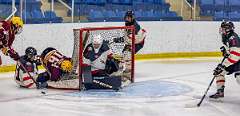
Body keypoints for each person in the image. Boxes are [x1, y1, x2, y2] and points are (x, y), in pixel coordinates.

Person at [210, 21, 240, 99]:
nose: (221, 30)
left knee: (239, 77)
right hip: (235, 60)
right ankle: (220, 92)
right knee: (219, 72)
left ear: (228, 29)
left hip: (238, 60)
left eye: (223, 29)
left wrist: (223, 65)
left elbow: (235, 56)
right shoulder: (226, 37)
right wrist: (226, 51)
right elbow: (232, 53)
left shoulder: (233, 38)